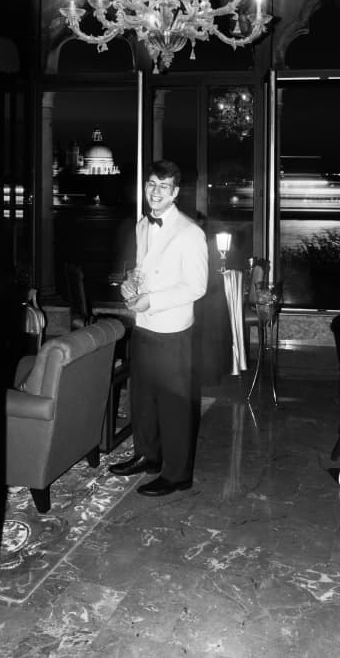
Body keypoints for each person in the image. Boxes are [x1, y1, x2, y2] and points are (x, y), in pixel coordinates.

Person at [109, 159, 208, 496]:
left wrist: (151, 301)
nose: (155, 191)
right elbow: (143, 269)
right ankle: (147, 456)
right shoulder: (141, 225)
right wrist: (131, 284)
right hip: (144, 325)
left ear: (175, 192)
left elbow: (196, 287)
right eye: (151, 184)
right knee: (143, 398)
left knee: (174, 405)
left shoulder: (190, 233)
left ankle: (178, 473)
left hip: (173, 331)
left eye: (163, 186)